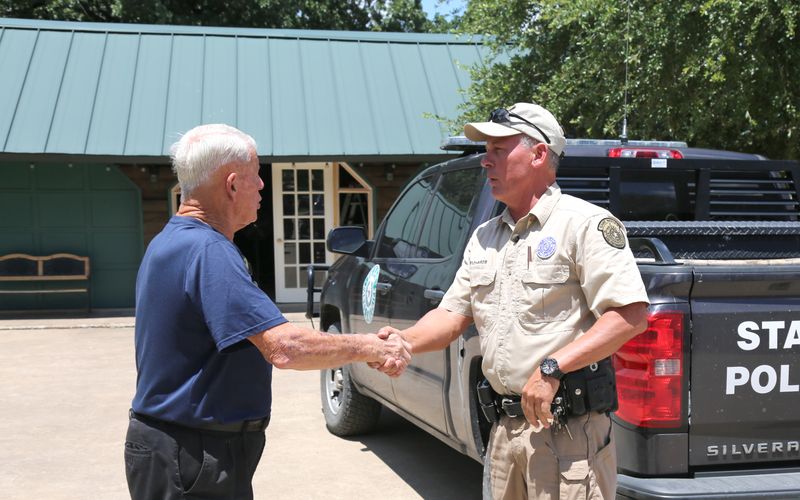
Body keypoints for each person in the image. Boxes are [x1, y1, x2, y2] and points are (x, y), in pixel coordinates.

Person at [375, 103, 649, 499]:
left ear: (538, 154)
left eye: (498, 150)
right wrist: (405, 342)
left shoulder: (585, 225)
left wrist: (553, 368)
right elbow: (452, 314)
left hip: (568, 437)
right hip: (504, 431)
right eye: (487, 151)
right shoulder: (487, 236)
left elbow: (629, 316)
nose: (485, 161)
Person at [125, 124, 410, 499]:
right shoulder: (208, 251)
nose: (262, 186)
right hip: (191, 455)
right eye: (256, 176)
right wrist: (374, 347)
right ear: (231, 185)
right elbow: (285, 347)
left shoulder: (173, 240)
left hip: (177, 448)